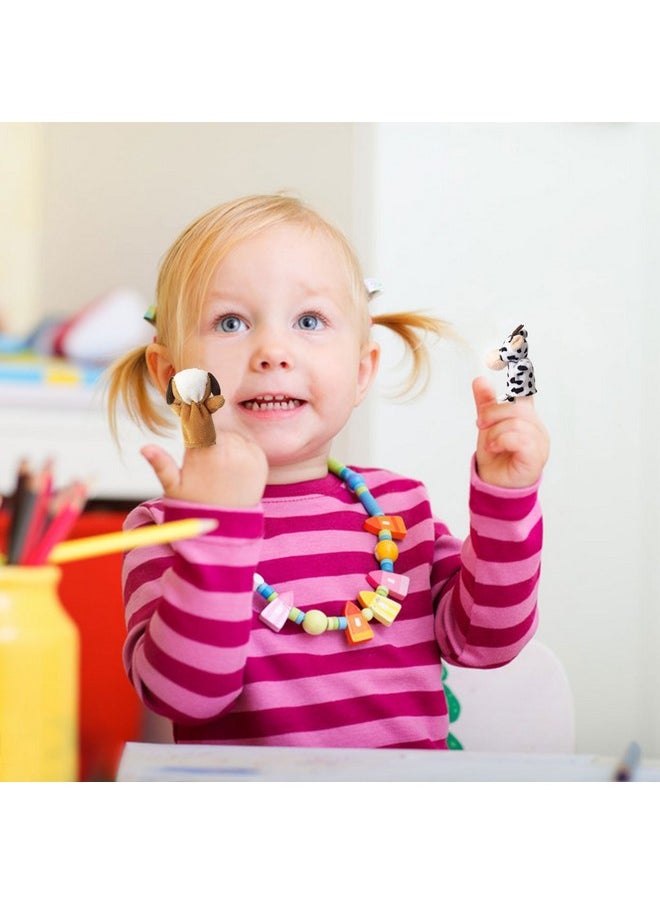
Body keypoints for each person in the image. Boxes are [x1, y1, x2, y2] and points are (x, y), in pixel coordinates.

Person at [106, 193, 549, 749]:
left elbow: (489, 640)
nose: (272, 351)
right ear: (173, 375)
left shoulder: (400, 508)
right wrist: (216, 536)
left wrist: (507, 497)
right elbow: (185, 697)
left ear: (362, 372)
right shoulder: (166, 528)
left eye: (309, 320)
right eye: (230, 322)